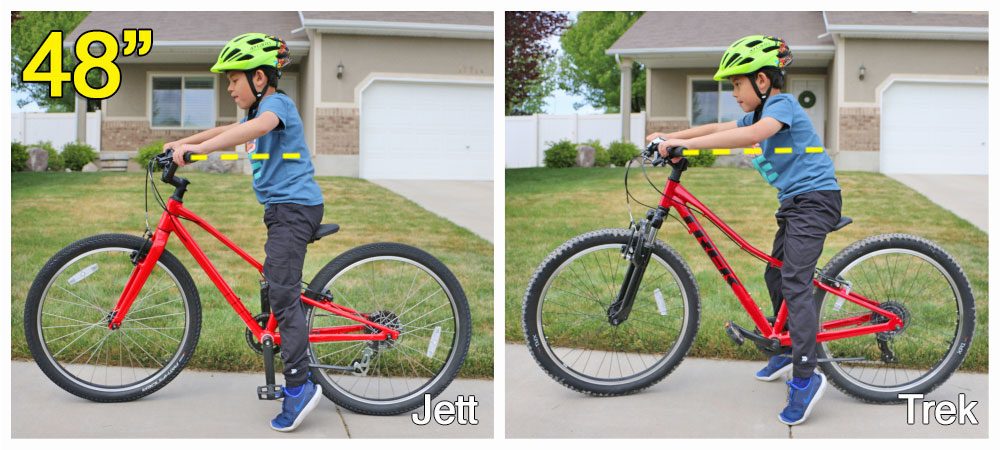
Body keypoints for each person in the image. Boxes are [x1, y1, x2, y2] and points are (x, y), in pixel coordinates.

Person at [646, 35, 841, 425]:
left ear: (763, 82)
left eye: (737, 83)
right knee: (775, 272)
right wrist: (672, 137)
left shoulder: (781, 105)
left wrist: (688, 147)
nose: (733, 91)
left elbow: (751, 137)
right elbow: (721, 125)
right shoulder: (758, 111)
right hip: (795, 204)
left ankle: (806, 375)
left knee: (796, 283)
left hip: (816, 200)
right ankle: (785, 349)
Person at [163, 32, 325, 432]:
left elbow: (248, 133)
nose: (230, 87)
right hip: (280, 211)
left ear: (259, 78)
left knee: (284, 291)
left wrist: (200, 152)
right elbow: (226, 128)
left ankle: (301, 385)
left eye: (234, 79)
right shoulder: (254, 112)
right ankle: (278, 337)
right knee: (273, 282)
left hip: (296, 209)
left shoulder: (275, 105)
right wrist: (183, 141)